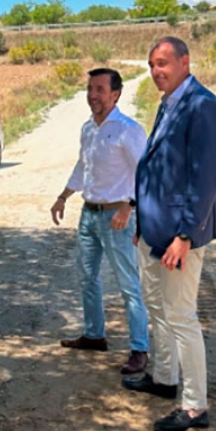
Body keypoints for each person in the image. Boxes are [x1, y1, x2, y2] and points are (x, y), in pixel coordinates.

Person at [123, 36, 216, 431]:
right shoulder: (169, 101)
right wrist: (140, 222)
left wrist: (185, 235)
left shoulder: (202, 105)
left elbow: (204, 180)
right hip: (154, 231)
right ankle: (165, 378)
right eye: (152, 64)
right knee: (158, 309)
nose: (156, 72)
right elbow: (156, 169)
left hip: (179, 236)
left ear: (186, 61)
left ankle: (194, 406)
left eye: (164, 63)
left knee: (181, 317)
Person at [50, 68, 150, 375]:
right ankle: (94, 335)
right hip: (88, 214)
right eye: (90, 88)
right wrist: (64, 196)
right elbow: (83, 166)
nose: (93, 95)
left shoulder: (127, 130)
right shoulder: (88, 128)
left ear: (115, 94)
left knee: (128, 284)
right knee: (86, 276)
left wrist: (128, 206)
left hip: (116, 218)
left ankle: (139, 349)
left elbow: (147, 172)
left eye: (100, 89)